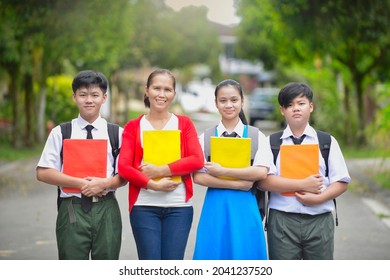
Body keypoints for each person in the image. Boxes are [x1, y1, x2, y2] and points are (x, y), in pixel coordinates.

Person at [36, 70, 126, 260]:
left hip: (106, 208)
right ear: (74, 97)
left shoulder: (117, 134)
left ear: (104, 97)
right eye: (83, 95)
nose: (89, 100)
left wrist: (104, 184)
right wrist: (82, 184)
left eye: (95, 95)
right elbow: (43, 172)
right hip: (72, 208)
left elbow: (124, 175)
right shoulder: (61, 132)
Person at [118, 68, 204, 260]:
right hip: (144, 207)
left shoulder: (184, 123)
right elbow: (123, 167)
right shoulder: (134, 126)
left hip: (179, 208)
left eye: (167, 89)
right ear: (147, 90)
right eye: (156, 88)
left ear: (174, 93)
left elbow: (197, 159)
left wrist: (161, 170)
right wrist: (153, 184)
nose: (161, 94)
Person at [259, 82, 350, 260]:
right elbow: (263, 181)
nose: (296, 109)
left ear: (311, 106)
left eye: (301, 103)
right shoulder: (271, 142)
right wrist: (303, 184)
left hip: (320, 219)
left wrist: (318, 198)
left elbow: (341, 181)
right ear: (282, 110)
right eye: (290, 105)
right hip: (282, 221)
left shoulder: (327, 142)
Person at [192, 79, 271, 260]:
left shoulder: (256, 136)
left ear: (242, 102)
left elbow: (260, 172)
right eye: (223, 100)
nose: (229, 105)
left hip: (245, 208)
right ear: (216, 103)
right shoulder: (205, 138)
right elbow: (198, 177)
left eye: (234, 100)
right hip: (215, 208)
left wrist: (222, 170)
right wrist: (240, 184)